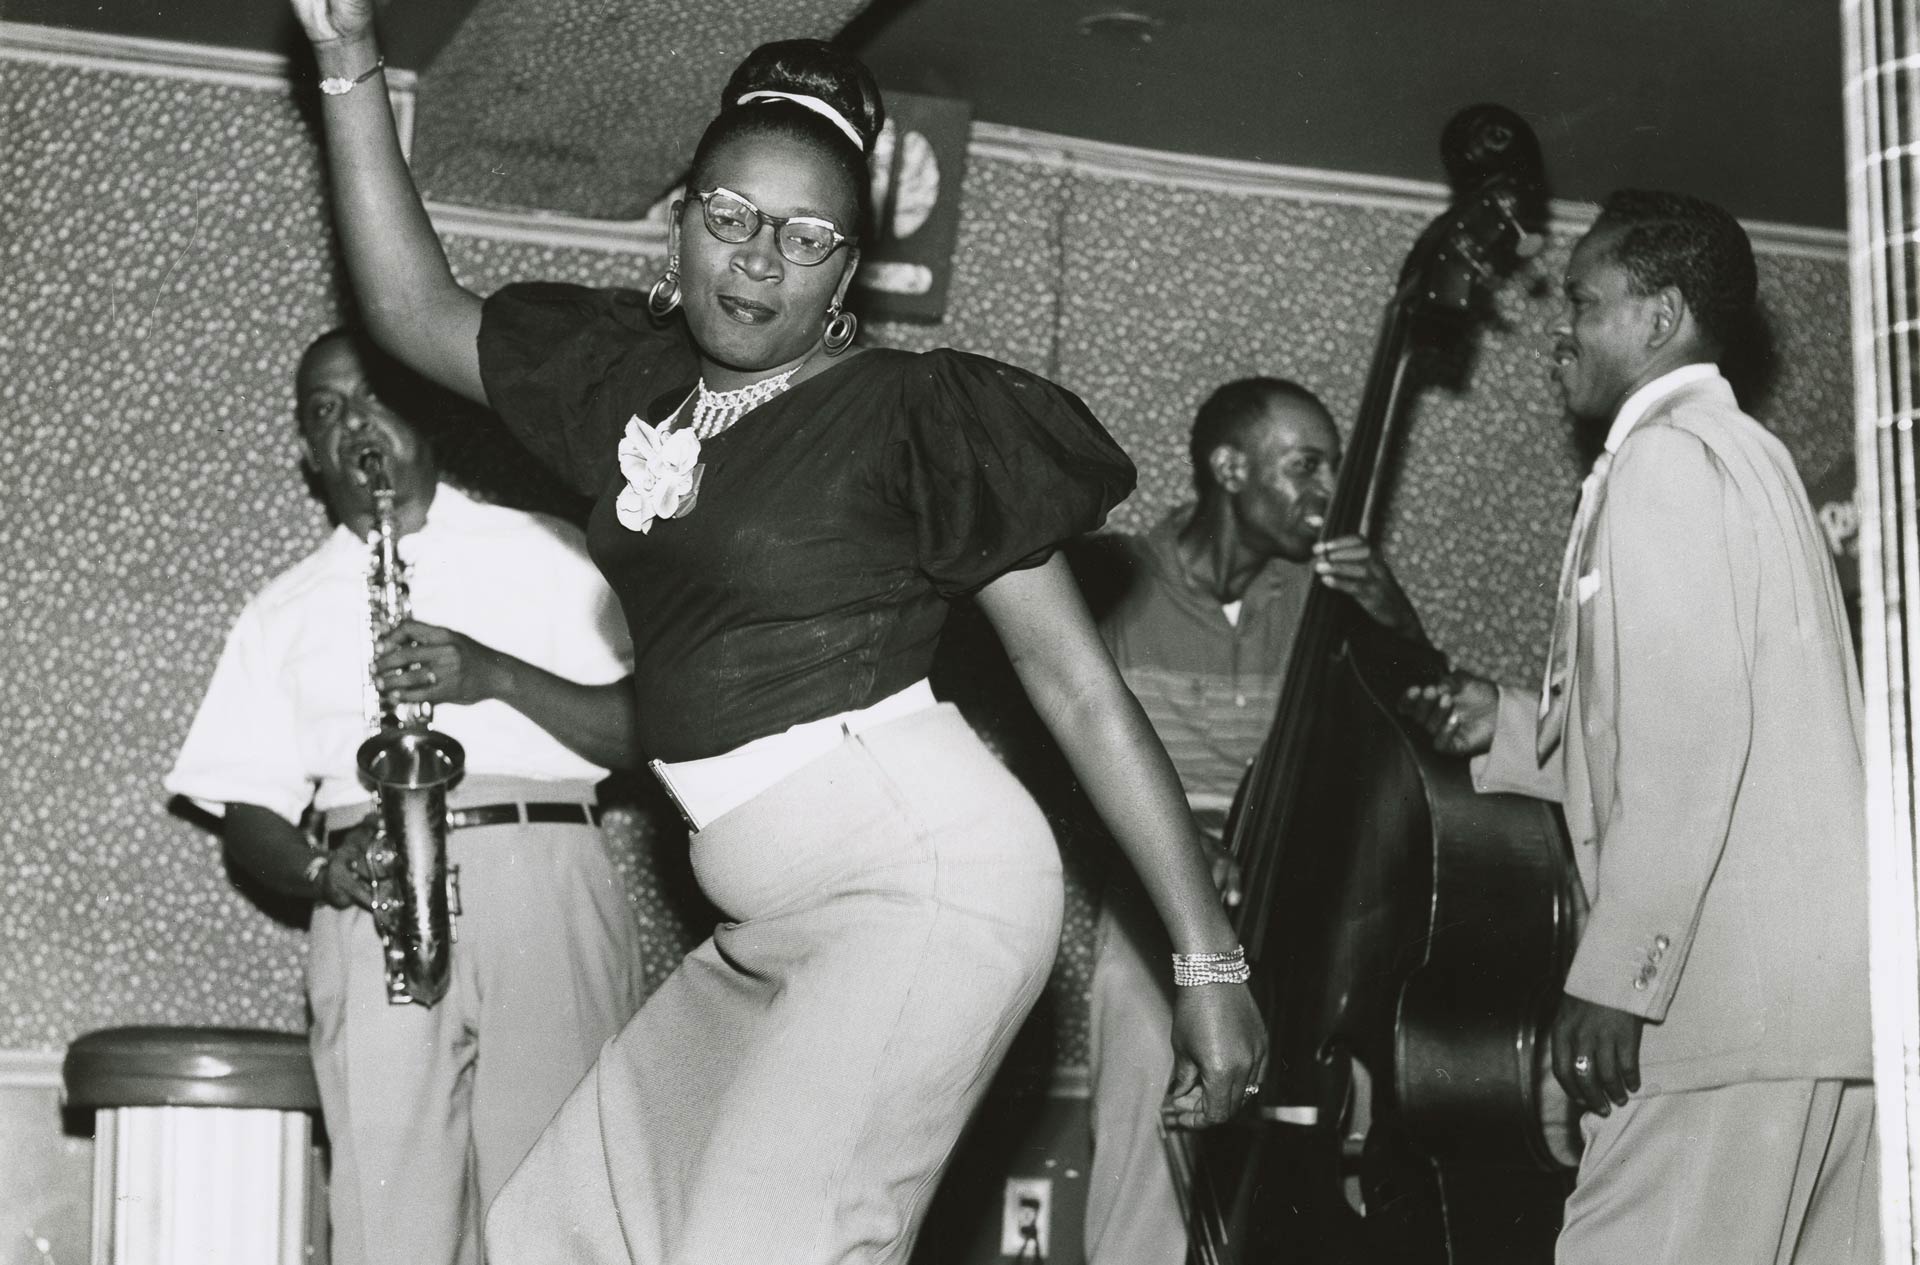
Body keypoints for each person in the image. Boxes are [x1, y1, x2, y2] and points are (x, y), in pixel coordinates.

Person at [287, 2, 1268, 1261]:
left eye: (806, 239)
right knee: (558, 1232)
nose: (758, 262)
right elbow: (411, 305)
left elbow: (1078, 687)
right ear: (682, 221)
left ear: (848, 274)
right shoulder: (628, 387)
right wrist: (347, 57)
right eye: (732, 217)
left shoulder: (918, 420)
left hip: (923, 886)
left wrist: (1207, 960)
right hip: (763, 928)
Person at [1401, 190, 1877, 1264]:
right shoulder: (1749, 456)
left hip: (1721, 1014)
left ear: (1659, 318)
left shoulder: (1664, 464)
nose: (1559, 325)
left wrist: (1619, 976)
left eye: (1584, 298)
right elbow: (1730, 714)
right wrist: (1513, 727)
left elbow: (1690, 744)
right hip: (1816, 1011)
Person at [166, 329, 645, 1265]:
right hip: (374, 896)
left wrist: (494, 674)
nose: (353, 424)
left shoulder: (551, 551)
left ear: (426, 412)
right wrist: (321, 867)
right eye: (324, 411)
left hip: (543, 878)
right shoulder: (281, 608)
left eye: (372, 396)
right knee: (391, 1226)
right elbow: (245, 813)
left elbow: (644, 733)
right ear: (308, 454)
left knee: (567, 1216)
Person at [1082, 377, 1423, 1265]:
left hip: (1300, 896)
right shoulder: (1118, 586)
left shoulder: (1319, 600)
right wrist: (1174, 839)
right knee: (1136, 1004)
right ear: (1229, 468)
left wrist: (1393, 619)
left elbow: (1422, 724)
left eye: (1334, 469)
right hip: (1164, 888)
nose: (1329, 492)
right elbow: (1067, 764)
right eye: (1306, 466)